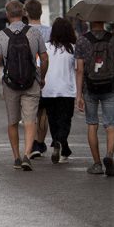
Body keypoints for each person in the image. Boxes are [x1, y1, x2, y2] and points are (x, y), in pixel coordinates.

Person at [0, 0, 48, 171]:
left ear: (7, 15)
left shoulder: (1, 35)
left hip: (10, 84)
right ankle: (27, 155)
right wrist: (42, 77)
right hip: (32, 82)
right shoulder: (34, 33)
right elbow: (44, 58)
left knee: (13, 121)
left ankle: (16, 157)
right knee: (30, 121)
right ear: (23, 13)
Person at [74, 19, 114, 176]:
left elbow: (79, 70)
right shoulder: (113, 39)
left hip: (89, 87)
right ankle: (109, 155)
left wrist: (78, 95)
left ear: (90, 20)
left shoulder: (82, 40)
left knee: (92, 124)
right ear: (104, 20)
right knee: (111, 124)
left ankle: (97, 164)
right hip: (111, 86)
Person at [40, 17, 77, 164]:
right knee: (65, 120)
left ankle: (58, 143)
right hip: (67, 90)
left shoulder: (46, 47)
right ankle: (61, 142)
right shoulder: (73, 48)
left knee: (53, 119)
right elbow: (78, 69)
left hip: (48, 90)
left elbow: (39, 66)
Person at [24, 0, 53, 159]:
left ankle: (32, 143)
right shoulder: (50, 31)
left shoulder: (24, 31)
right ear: (41, 12)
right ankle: (40, 142)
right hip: (46, 74)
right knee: (43, 111)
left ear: (26, 13)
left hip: (28, 75)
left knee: (30, 111)